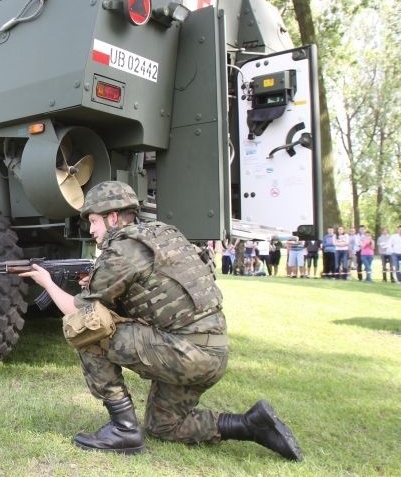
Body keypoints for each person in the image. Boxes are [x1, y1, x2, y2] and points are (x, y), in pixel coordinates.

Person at [20, 181, 303, 460]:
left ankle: (123, 428)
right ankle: (251, 425)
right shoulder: (163, 234)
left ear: (113, 217)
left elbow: (77, 311)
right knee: (164, 425)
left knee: (88, 331)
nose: (91, 229)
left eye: (94, 221)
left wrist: (46, 282)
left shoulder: (123, 249)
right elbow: (152, 296)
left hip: (188, 353)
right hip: (212, 352)